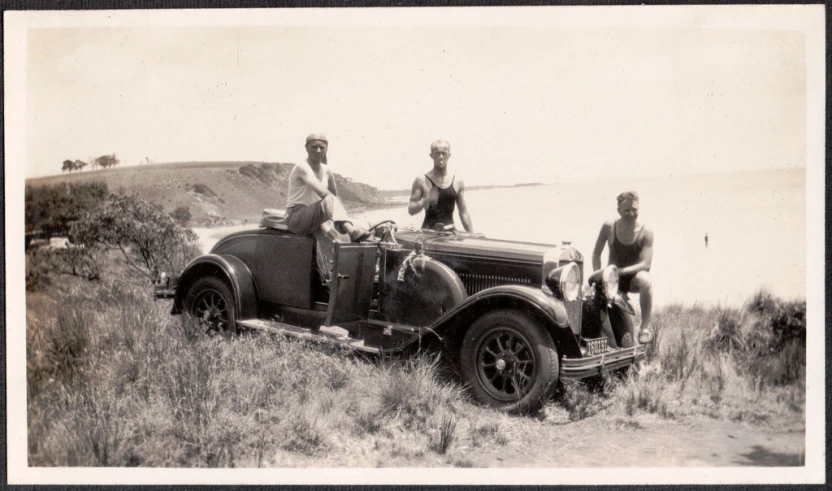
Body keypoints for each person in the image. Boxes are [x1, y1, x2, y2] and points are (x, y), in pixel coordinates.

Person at [284, 133, 369, 279]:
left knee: (334, 248)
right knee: (329, 200)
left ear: (326, 149)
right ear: (307, 148)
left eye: (321, 147)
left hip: (316, 217)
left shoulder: (327, 171)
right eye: (314, 147)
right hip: (297, 217)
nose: (318, 150)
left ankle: (336, 286)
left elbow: (335, 198)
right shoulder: (302, 167)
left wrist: (333, 219)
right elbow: (324, 193)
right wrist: (342, 221)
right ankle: (351, 231)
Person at [592, 191, 654, 344]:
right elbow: (596, 254)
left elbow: (646, 264)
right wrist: (597, 276)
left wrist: (619, 272)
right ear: (618, 210)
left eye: (635, 209)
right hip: (611, 279)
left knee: (646, 280)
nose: (631, 213)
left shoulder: (646, 232)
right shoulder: (609, 226)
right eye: (627, 210)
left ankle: (644, 327)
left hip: (633, 279)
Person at [408, 140, 474, 232]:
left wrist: (472, 235)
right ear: (431, 155)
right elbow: (411, 210)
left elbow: (463, 212)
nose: (441, 157)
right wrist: (425, 200)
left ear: (449, 155)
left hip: (450, 235)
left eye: (444, 153)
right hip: (428, 234)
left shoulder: (457, 181)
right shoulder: (421, 180)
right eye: (437, 153)